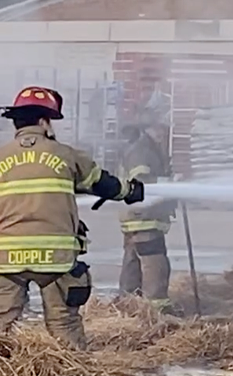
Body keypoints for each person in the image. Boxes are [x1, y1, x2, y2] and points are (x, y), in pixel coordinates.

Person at [0, 86, 144, 349]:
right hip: (56, 259)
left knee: (1, 325)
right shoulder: (66, 155)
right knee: (64, 324)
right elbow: (104, 184)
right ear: (44, 122)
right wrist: (130, 191)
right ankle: (72, 371)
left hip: (6, 259)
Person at [117, 120, 178, 314]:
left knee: (132, 264)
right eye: (161, 128)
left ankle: (128, 306)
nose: (164, 133)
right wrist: (169, 183)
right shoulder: (143, 151)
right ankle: (157, 311)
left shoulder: (144, 148)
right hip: (144, 218)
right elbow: (141, 182)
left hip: (138, 217)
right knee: (155, 264)